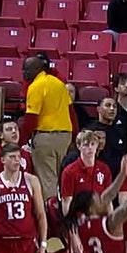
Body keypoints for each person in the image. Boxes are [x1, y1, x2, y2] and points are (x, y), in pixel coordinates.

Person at [21, 55, 78, 199]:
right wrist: (74, 137)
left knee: (47, 181)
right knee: (60, 178)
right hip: (64, 137)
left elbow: (31, 119)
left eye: (26, 69)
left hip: (45, 138)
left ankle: (49, 217)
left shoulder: (36, 86)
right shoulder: (59, 84)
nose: (23, 73)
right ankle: (63, 212)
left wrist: (19, 141)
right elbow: (72, 113)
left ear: (37, 69)